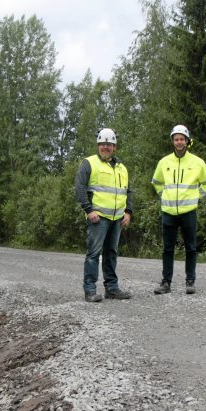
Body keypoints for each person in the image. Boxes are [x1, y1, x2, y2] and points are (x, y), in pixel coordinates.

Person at [151, 125, 206, 295]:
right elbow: (156, 182)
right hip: (168, 212)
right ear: (172, 141)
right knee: (167, 249)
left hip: (189, 212)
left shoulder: (197, 162)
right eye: (176, 139)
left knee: (191, 247)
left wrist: (197, 195)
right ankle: (166, 283)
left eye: (182, 139)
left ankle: (190, 281)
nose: (179, 142)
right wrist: (163, 195)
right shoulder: (164, 162)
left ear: (187, 141)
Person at [74, 128, 133, 302]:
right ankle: (90, 290)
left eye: (109, 144)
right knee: (93, 254)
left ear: (114, 146)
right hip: (98, 217)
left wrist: (128, 212)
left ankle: (112, 289)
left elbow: (128, 191)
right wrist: (88, 209)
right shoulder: (89, 163)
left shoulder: (122, 168)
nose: (105, 147)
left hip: (117, 218)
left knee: (111, 253)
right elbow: (80, 188)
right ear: (98, 145)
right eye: (103, 144)